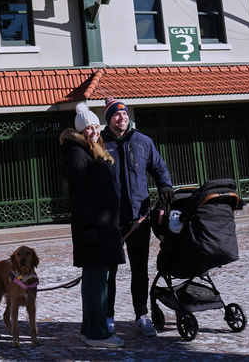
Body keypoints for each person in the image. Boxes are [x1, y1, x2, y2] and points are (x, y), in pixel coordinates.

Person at [101, 98, 173, 338]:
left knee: (139, 269)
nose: (121, 118)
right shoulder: (100, 142)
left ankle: (141, 315)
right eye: (116, 115)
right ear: (109, 119)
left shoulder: (143, 141)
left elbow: (159, 167)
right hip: (111, 219)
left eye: (124, 114)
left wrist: (165, 185)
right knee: (109, 271)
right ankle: (108, 316)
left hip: (139, 217)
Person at [59, 102, 125, 348]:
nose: (95, 131)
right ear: (80, 131)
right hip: (94, 227)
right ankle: (98, 334)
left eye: (97, 126)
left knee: (97, 278)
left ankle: (89, 329)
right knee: (97, 281)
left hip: (104, 226)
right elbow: (77, 193)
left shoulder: (92, 150)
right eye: (89, 128)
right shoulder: (78, 153)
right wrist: (89, 226)